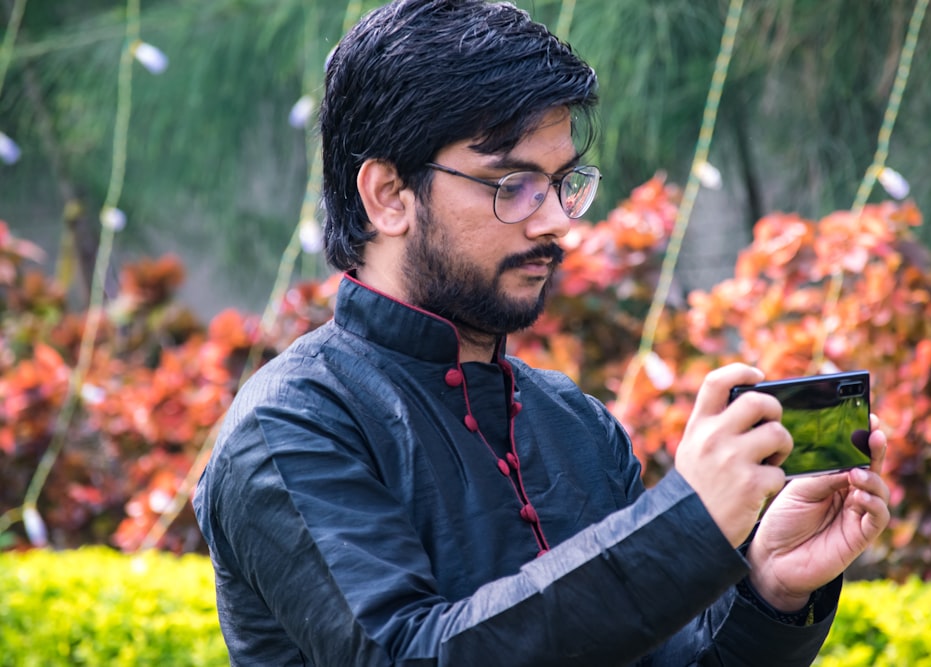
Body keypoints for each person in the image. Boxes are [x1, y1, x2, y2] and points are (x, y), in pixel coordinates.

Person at [193, 0, 891, 664]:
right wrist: (686, 524)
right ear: (387, 195)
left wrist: (772, 588)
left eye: (563, 183)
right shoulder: (291, 424)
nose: (556, 220)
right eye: (512, 184)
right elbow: (407, 652)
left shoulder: (577, 424)